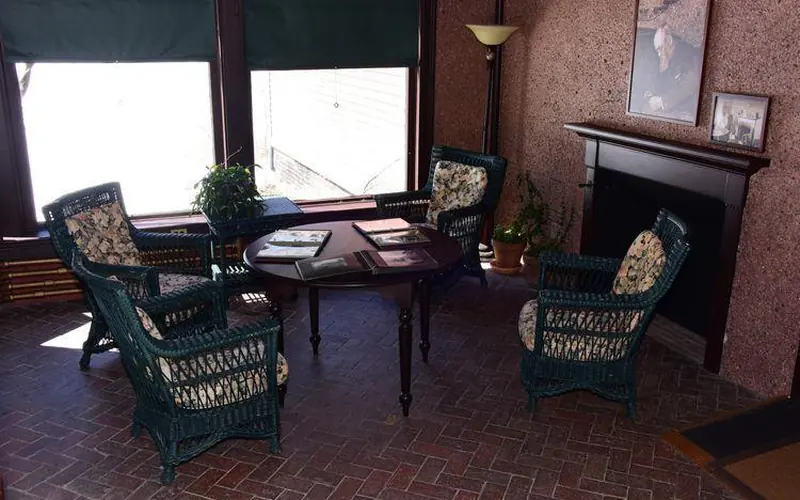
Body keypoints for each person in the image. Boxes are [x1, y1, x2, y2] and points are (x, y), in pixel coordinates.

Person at [636, 24, 703, 120]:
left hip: (691, 114)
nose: (659, 54)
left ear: (670, 41)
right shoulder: (669, 60)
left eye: (660, 48)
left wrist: (661, 101)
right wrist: (653, 91)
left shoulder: (688, 54)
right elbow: (666, 83)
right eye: (657, 50)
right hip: (675, 112)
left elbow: (689, 83)